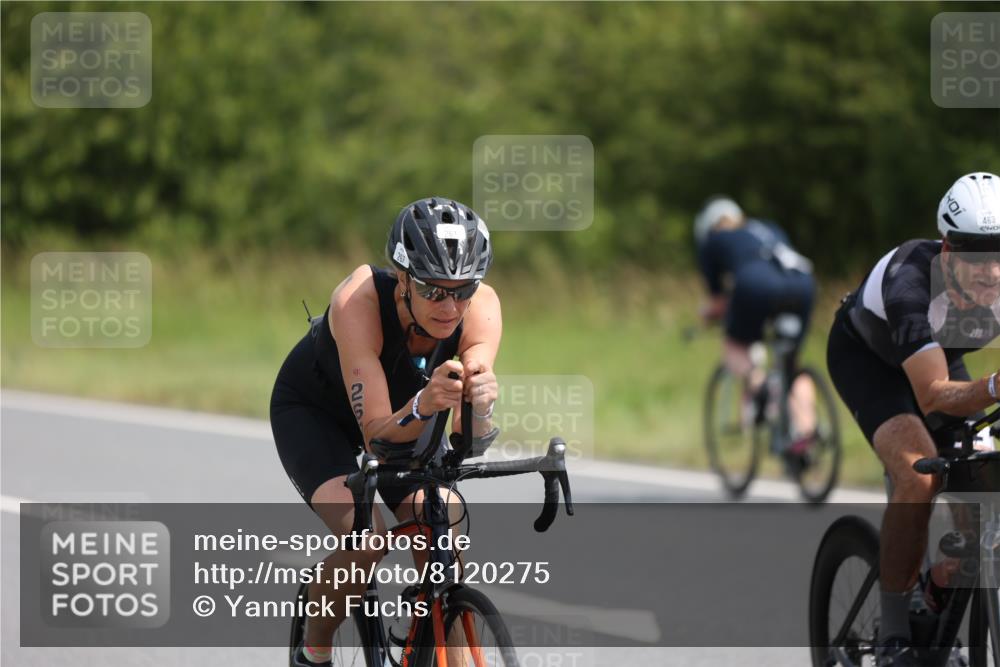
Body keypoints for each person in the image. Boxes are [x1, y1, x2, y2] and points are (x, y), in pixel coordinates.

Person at [270, 197, 502, 667]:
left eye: (463, 289)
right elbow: (376, 431)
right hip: (318, 413)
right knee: (367, 535)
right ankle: (314, 646)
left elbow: (468, 442)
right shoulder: (358, 300)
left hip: (406, 416)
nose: (450, 305)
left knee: (445, 521)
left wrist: (479, 405)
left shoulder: (482, 310)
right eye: (433, 290)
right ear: (402, 279)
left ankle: (437, 642)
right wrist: (423, 402)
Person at [825, 172, 1000, 665]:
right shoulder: (909, 281)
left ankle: (938, 592)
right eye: (975, 255)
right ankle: (894, 635)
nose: (991, 271)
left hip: (941, 359)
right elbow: (932, 394)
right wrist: (992, 387)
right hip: (872, 363)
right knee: (919, 474)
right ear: (947, 252)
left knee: (985, 482)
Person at [694, 196, 818, 457]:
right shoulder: (767, 227)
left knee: (734, 345)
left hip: (757, 285)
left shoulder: (712, 241)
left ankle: (761, 385)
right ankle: (807, 433)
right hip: (803, 283)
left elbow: (718, 303)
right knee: (792, 364)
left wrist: (707, 316)